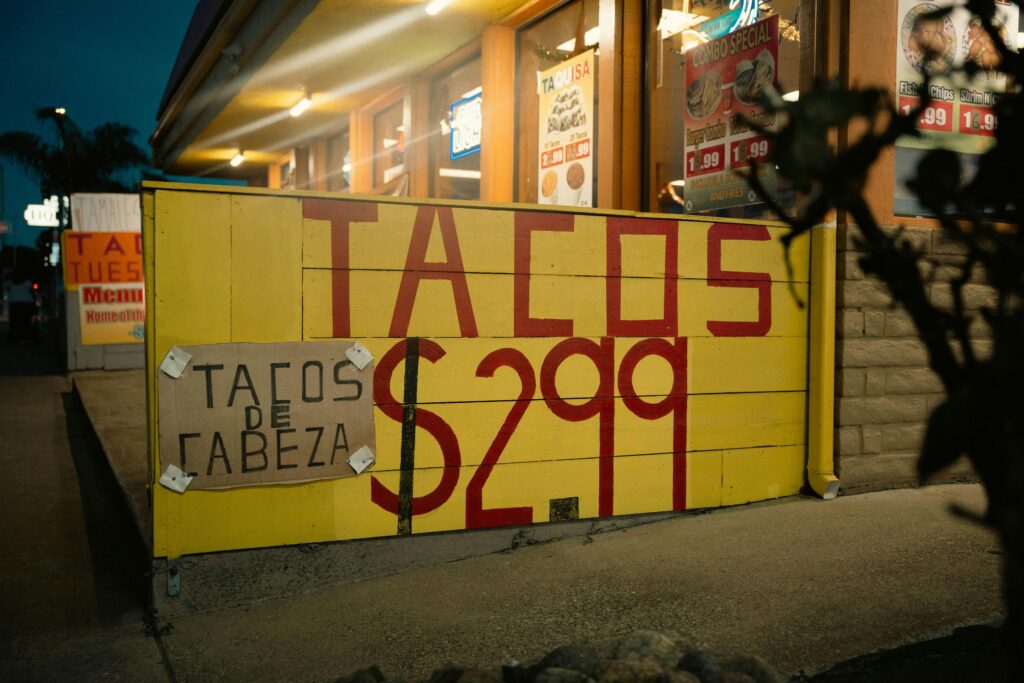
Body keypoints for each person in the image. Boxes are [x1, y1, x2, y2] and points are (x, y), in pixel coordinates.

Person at [4, 270, 36, 345]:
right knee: (25, 321)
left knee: (14, 321)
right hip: (26, 303)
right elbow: (32, 292)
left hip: (14, 303)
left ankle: (16, 338)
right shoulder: (27, 282)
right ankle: (25, 337)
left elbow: (5, 288)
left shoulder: (10, 282)